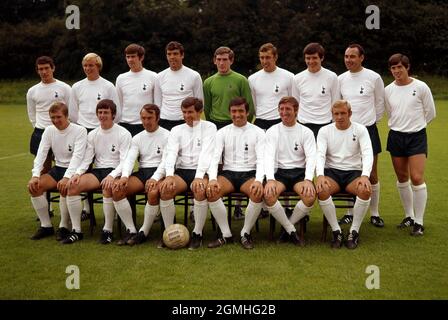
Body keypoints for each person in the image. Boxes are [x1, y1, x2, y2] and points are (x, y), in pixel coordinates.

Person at [66, 99, 132, 244]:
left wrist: (112, 175)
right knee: (72, 187)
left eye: (106, 112)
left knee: (108, 186)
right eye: (100, 112)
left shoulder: (123, 133)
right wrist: (77, 173)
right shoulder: (93, 134)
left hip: (117, 171)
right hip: (99, 171)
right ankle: (77, 231)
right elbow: (87, 159)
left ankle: (107, 230)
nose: (102, 115)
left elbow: (125, 161)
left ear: (113, 114)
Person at [385, 53, 436, 236]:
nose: (397, 71)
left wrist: (416, 127)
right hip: (396, 137)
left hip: (417, 137)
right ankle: (409, 216)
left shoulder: (421, 87)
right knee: (402, 177)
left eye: (400, 67)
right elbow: (390, 112)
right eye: (393, 68)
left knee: (416, 177)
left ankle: (419, 222)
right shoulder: (388, 90)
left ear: (407, 67)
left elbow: (430, 112)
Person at [206, 97, 265, 250]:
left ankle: (245, 233)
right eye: (233, 111)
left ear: (247, 112)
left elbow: (262, 159)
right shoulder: (222, 132)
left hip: (249, 174)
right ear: (229, 113)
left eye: (240, 111)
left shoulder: (258, 132)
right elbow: (214, 158)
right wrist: (212, 179)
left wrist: (259, 180)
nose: (237, 114)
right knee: (212, 191)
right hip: (228, 174)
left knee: (257, 193)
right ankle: (226, 234)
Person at [203, 46, 255, 220]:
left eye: (225, 59)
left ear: (231, 60)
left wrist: (243, 124)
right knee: (217, 163)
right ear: (214, 60)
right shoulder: (209, 82)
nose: (221, 63)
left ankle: (238, 207)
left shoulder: (240, 80)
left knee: (238, 161)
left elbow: (248, 105)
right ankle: (216, 202)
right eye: (218, 59)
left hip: (237, 124)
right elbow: (207, 108)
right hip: (217, 126)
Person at [159, 97, 216, 249]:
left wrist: (199, 176)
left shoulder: (209, 127)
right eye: (184, 112)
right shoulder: (176, 130)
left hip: (202, 171)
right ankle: (169, 232)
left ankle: (197, 234)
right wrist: (169, 175)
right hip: (183, 171)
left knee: (199, 189)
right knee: (165, 189)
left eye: (190, 112)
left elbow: (207, 154)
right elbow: (171, 154)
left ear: (200, 112)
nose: (186, 116)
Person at [338, 44, 386, 228]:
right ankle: (349, 213)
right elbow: (338, 105)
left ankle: (374, 213)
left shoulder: (374, 77)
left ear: (361, 58)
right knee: (349, 170)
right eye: (346, 56)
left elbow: (380, 104)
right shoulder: (340, 79)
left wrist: (370, 123)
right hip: (346, 132)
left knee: (372, 173)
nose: (349, 60)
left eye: (352, 56)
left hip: (368, 129)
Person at [316, 100, 373, 249]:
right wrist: (320, 175)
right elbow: (320, 154)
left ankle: (354, 231)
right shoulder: (324, 131)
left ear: (350, 114)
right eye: (336, 114)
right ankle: (336, 231)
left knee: (365, 190)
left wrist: (365, 175)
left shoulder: (360, 129)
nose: (340, 117)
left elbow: (367, 153)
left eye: (343, 113)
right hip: (332, 173)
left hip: (353, 173)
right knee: (321, 190)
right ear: (332, 115)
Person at [70, 52, 120, 219]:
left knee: (110, 163)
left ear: (98, 66)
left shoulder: (108, 86)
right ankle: (87, 208)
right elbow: (73, 112)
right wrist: (83, 129)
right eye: (85, 65)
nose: (87, 68)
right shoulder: (77, 87)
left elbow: (116, 111)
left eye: (91, 65)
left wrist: (106, 126)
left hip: (105, 130)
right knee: (83, 167)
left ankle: (114, 206)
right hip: (84, 131)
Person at [28, 102, 87, 242]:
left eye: (59, 117)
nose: (55, 121)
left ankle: (64, 226)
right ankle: (46, 226)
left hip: (76, 170)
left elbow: (78, 157)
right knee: (34, 187)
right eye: (52, 117)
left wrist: (67, 177)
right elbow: (41, 154)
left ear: (67, 116)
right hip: (58, 168)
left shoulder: (80, 130)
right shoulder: (49, 130)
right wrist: (35, 175)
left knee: (66, 187)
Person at [112, 104, 169, 245]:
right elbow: (130, 158)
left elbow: (167, 161)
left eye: (150, 118)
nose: (146, 121)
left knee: (152, 191)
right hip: (143, 172)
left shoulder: (168, 135)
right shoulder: (137, 138)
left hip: (162, 172)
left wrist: (155, 178)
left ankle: (144, 231)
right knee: (117, 189)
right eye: (143, 118)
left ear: (158, 118)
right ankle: (131, 230)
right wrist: (125, 176)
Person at [264, 96, 316, 246]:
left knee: (310, 197)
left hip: (299, 173)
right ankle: (291, 231)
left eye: (288, 109)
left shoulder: (306, 132)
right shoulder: (273, 131)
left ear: (296, 110)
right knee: (268, 195)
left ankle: (287, 227)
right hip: (279, 173)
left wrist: (308, 179)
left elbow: (311, 157)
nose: (284, 112)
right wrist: (270, 180)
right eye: (281, 109)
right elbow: (268, 156)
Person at [27, 56, 72, 218]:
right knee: (44, 170)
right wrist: (41, 129)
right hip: (41, 133)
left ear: (53, 68)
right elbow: (32, 114)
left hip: (62, 133)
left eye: (46, 68)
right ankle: (48, 208)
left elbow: (71, 111)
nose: (44, 72)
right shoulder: (32, 91)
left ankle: (83, 208)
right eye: (40, 69)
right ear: (37, 70)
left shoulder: (64, 88)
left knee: (68, 167)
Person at [292, 42, 339, 138]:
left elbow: (335, 102)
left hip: (325, 124)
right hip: (303, 125)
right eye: (308, 58)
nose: (311, 61)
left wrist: (334, 124)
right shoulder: (297, 78)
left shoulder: (332, 77)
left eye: (314, 58)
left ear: (321, 58)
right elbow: (295, 104)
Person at [154, 41, 203, 131]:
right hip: (165, 121)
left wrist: (196, 124)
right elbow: (158, 104)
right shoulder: (159, 77)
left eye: (175, 54)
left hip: (186, 121)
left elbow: (199, 103)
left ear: (182, 55)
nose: (172, 57)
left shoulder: (194, 76)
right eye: (169, 54)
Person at [249, 43, 294, 130]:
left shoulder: (289, 76)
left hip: (281, 121)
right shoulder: (252, 79)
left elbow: (293, 101)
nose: (264, 61)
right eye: (262, 58)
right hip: (260, 122)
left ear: (275, 57)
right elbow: (254, 104)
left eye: (268, 57)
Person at [116, 44, 158, 136]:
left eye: (133, 56)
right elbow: (119, 104)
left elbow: (157, 103)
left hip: (146, 124)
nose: (130, 60)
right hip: (125, 124)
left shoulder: (153, 76)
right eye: (128, 57)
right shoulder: (121, 78)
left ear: (141, 57)